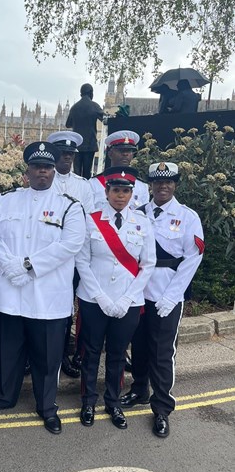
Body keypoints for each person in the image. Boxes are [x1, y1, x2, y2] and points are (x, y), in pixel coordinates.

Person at [0, 141, 86, 435]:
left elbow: (70, 245)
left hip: (47, 297)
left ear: (54, 170)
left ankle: (46, 406)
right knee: (7, 351)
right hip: (9, 292)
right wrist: (10, 266)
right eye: (37, 167)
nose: (43, 172)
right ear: (26, 170)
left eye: (48, 167)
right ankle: (5, 396)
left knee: (47, 356)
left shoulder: (69, 206)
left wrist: (27, 266)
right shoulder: (5, 200)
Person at [120, 162, 204, 438]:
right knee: (139, 346)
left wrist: (172, 296)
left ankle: (162, 408)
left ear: (175, 184)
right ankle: (139, 390)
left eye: (168, 182)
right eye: (157, 182)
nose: (163, 187)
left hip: (167, 293)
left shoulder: (187, 216)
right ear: (151, 185)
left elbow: (192, 259)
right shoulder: (138, 213)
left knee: (162, 353)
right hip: (139, 294)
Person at [75, 166, 156, 431]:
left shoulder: (142, 223)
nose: (120, 196)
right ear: (107, 192)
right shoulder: (91, 219)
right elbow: (82, 261)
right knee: (91, 352)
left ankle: (113, 402)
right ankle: (88, 401)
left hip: (128, 302)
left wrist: (126, 299)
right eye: (115, 190)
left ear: (132, 194)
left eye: (125, 191)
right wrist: (99, 296)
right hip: (93, 299)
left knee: (118, 355)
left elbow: (148, 264)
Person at [47, 130, 94, 378]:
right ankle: (38, 356)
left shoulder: (83, 186)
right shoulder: (43, 179)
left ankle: (63, 354)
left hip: (74, 258)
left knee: (67, 308)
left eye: (70, 154)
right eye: (62, 153)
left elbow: (89, 223)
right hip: (46, 257)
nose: (67, 158)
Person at [89, 130, 150, 211]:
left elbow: (143, 215)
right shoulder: (93, 184)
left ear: (132, 155)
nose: (125, 154)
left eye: (129, 151)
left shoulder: (142, 186)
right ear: (110, 154)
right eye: (121, 150)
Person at [66, 83, 104, 179]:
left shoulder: (74, 108)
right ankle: (86, 190)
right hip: (89, 143)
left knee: (76, 171)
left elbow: (68, 124)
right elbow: (105, 119)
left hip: (77, 144)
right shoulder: (94, 106)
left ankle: (76, 191)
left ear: (81, 94)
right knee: (87, 172)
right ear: (91, 93)